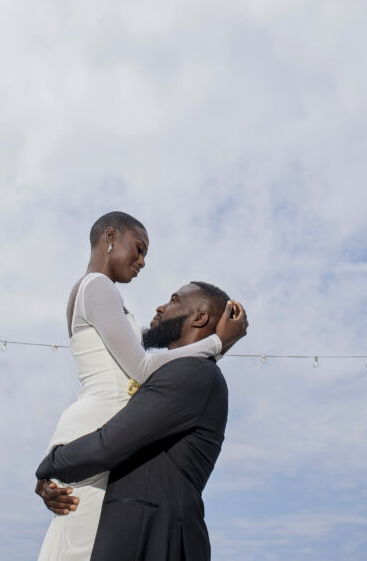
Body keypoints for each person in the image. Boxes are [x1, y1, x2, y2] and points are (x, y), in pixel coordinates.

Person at [37, 212, 243, 561]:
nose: (143, 261)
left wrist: (53, 465)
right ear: (111, 237)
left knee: (76, 540)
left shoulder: (98, 292)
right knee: (80, 541)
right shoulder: (98, 286)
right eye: (140, 248)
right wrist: (217, 345)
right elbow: (143, 367)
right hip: (99, 422)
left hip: (98, 428)